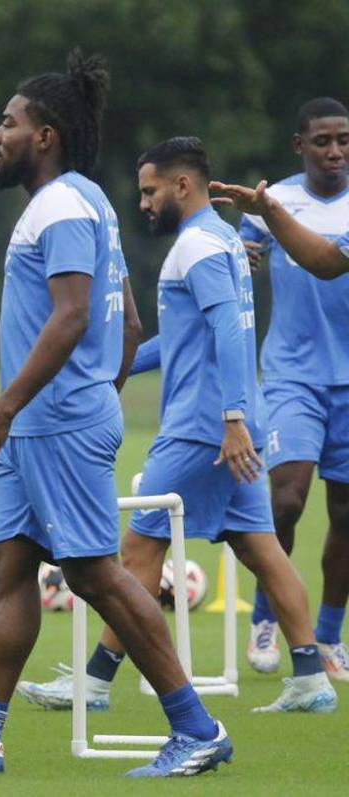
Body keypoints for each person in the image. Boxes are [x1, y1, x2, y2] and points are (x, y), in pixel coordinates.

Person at [0, 51, 230, 778]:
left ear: (44, 135)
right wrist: (87, 397)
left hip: (51, 422)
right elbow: (129, 323)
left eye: (8, 123)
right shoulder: (87, 202)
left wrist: (7, 411)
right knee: (7, 565)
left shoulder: (61, 206)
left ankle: (197, 727)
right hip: (52, 421)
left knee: (95, 573)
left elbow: (76, 316)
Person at [17, 137, 337, 715]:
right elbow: (187, 341)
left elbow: (232, 333)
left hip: (201, 431)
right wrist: (110, 368)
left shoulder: (198, 247)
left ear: (182, 186)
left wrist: (231, 419)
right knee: (263, 550)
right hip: (229, 426)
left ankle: (92, 684)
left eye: (149, 190)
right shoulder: (220, 242)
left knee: (136, 552)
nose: (143, 202)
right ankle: (312, 678)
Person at [208, 98, 349, 679]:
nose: (335, 151)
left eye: (344, 140)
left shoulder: (273, 206)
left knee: (346, 514)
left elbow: (323, 260)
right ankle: (267, 615)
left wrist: (266, 213)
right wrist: (239, 256)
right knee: (286, 497)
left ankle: (329, 636)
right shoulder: (272, 202)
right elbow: (248, 263)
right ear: (300, 146)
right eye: (322, 141)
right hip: (292, 373)